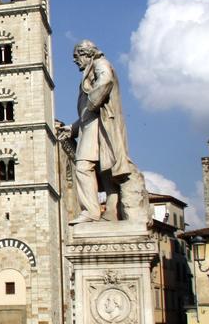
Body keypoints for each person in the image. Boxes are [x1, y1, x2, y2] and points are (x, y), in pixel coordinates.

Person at [59, 40, 148, 224]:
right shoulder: (92, 69)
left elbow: (105, 81)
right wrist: (72, 129)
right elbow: (86, 116)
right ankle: (111, 212)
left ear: (86, 54)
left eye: (77, 57)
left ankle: (91, 211)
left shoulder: (100, 64)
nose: (76, 62)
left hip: (100, 128)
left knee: (83, 166)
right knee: (106, 172)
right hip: (93, 126)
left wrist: (93, 101)